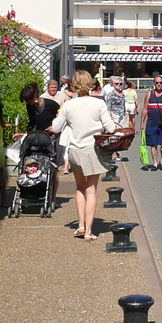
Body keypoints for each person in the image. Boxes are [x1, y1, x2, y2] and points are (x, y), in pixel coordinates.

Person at [51, 71, 117, 242]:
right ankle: (88, 231)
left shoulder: (68, 105)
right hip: (93, 150)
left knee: (79, 187)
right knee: (91, 189)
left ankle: (80, 225)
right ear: (90, 83)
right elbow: (110, 128)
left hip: (75, 150)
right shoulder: (98, 104)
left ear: (74, 84)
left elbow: (56, 127)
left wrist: (60, 113)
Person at [17, 82, 62, 197]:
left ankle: (53, 198)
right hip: (39, 138)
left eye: (30, 100)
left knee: (54, 168)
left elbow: (61, 118)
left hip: (53, 138)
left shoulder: (51, 105)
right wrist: (25, 134)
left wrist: (54, 128)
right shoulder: (30, 107)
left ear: (35, 96)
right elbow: (32, 122)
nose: (29, 103)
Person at [139, 74, 162, 171]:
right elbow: (145, 109)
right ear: (154, 84)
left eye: (160, 83)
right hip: (151, 123)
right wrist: (142, 122)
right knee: (153, 144)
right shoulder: (149, 94)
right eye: (157, 83)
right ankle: (155, 163)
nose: (159, 84)